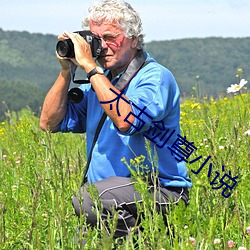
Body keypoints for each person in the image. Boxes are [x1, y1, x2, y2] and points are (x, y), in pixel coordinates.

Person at [40, 0, 192, 244]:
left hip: (159, 191)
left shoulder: (154, 77)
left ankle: (146, 241)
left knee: (88, 200)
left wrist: (90, 67)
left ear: (133, 39)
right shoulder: (99, 82)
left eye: (110, 37)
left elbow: (127, 121)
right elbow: (49, 123)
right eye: (96, 39)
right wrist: (66, 70)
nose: (102, 47)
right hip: (110, 199)